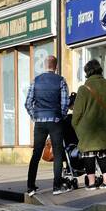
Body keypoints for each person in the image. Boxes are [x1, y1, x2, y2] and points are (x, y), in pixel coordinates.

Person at [70, 59, 106, 188]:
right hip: (105, 128)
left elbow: (77, 114)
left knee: (89, 155)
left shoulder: (83, 89)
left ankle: (92, 184)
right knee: (104, 154)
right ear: (100, 70)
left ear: (87, 73)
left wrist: (77, 128)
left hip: (87, 130)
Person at [25, 54, 70, 197]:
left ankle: (30, 187)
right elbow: (65, 103)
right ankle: (56, 186)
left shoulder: (35, 81)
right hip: (55, 121)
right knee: (57, 154)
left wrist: (35, 116)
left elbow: (27, 103)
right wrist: (60, 116)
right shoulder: (61, 81)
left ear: (45, 66)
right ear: (55, 66)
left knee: (36, 154)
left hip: (40, 122)